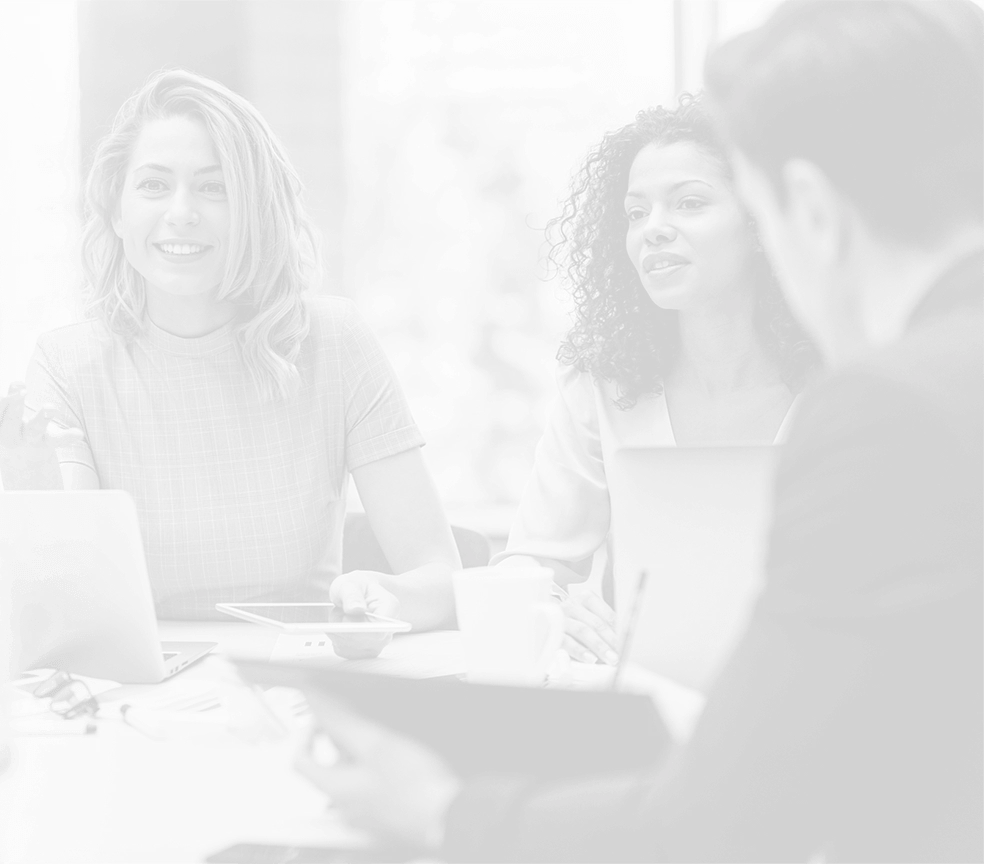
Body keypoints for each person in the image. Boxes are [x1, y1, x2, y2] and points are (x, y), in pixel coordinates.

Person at [290, 0, 984, 859]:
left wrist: (443, 810)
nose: (655, 232)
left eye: (721, 203)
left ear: (801, 210)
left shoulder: (893, 410)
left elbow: (730, 813)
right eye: (634, 213)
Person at [0, 68, 462, 659]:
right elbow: (69, 590)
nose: (182, 212)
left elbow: (440, 575)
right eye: (154, 186)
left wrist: (387, 597)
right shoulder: (67, 362)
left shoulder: (333, 341)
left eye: (213, 188)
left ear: (255, 210)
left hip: (298, 676)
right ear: (116, 212)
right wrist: (28, 467)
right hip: (135, 688)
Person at [491, 93, 822, 666]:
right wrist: (549, 605)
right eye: (636, 213)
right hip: (647, 685)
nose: (653, 231)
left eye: (689, 204)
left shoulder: (845, 381)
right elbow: (528, 562)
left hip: (809, 680)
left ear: (759, 219)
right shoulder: (604, 383)